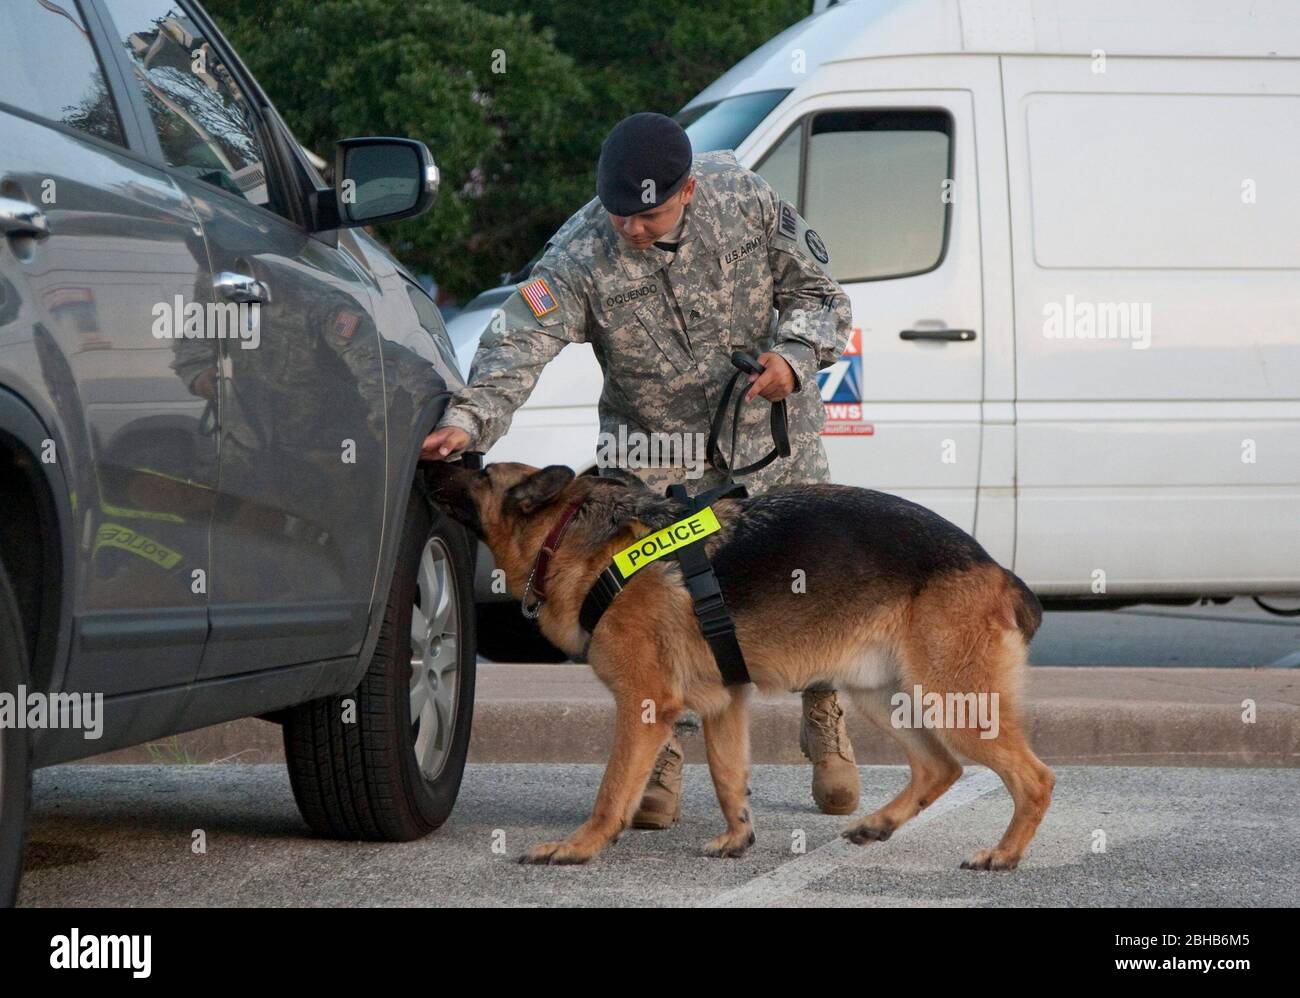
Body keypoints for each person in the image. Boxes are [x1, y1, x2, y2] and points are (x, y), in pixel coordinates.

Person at [423, 112, 860, 822]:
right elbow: (517, 343)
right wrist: (467, 420)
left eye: (648, 214)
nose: (630, 228)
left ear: (687, 190)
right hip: (653, 460)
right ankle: (662, 754)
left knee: (814, 579)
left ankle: (827, 719)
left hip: (773, 443)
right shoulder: (580, 251)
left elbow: (821, 298)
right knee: (654, 609)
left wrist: (794, 359)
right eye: (620, 213)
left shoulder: (743, 198)